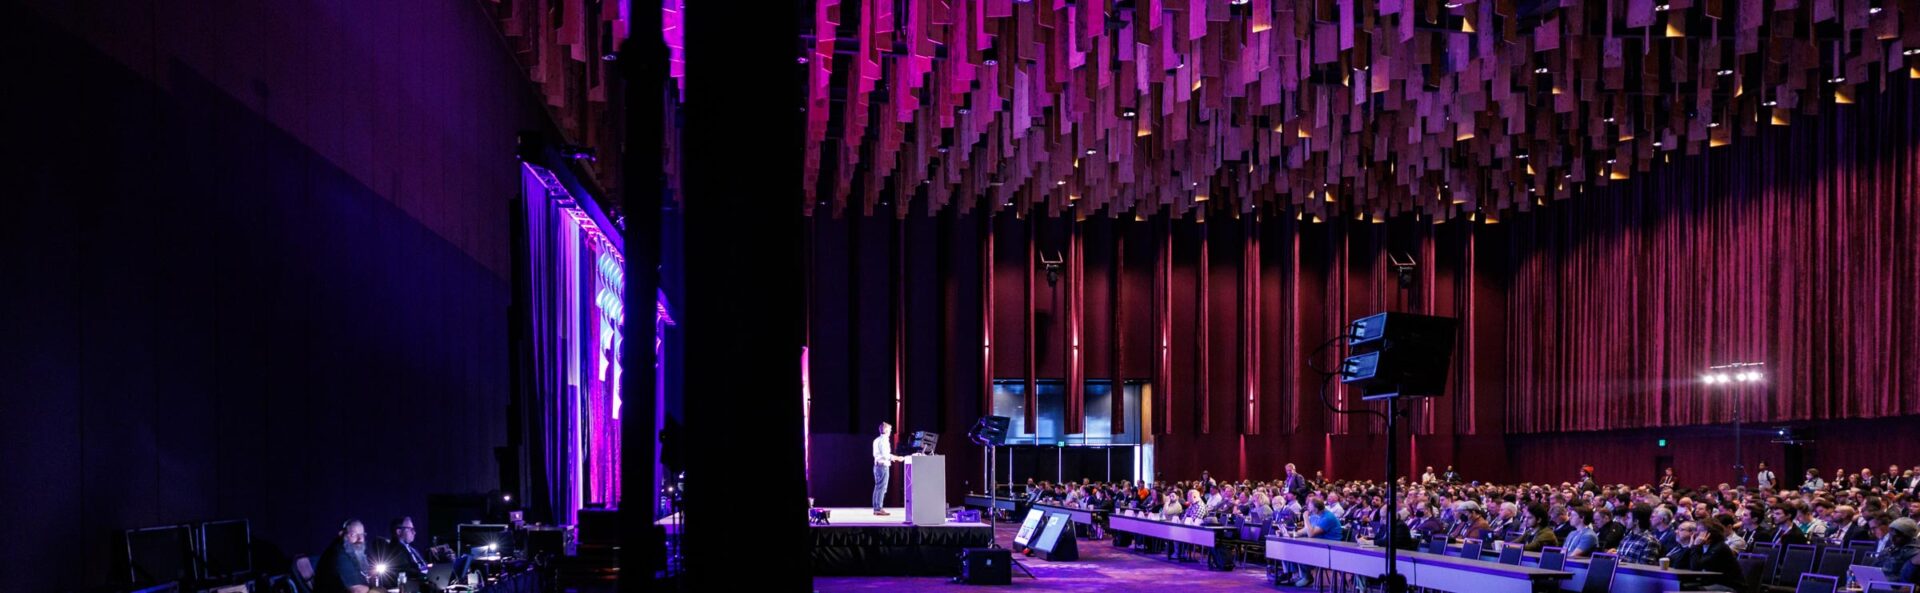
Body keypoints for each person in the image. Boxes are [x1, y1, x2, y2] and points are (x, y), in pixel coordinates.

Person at [1667, 520, 1742, 591]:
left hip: (1727, 585)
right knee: (1677, 585)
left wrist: (1696, 546)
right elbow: (1677, 565)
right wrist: (1690, 547)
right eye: (1696, 530)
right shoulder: (1702, 546)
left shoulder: (1720, 547)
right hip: (1708, 582)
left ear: (1710, 533)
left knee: (1686, 589)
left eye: (1700, 531)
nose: (1696, 533)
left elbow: (1695, 567)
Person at [370, 517, 432, 588]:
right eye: (410, 529)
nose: (414, 532)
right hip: (414, 585)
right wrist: (426, 574)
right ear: (399, 532)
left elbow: (422, 565)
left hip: (427, 579)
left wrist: (431, 567)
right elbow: (406, 571)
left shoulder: (412, 547)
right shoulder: (395, 550)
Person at [313, 519, 372, 593]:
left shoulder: (350, 552)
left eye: (362, 534)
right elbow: (357, 591)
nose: (360, 539)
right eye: (353, 534)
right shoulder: (339, 555)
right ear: (341, 534)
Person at [871, 422, 906, 515]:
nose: (891, 431)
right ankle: (878, 509)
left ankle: (876, 508)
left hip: (877, 466)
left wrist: (892, 458)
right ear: (886, 430)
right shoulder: (884, 441)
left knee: (878, 487)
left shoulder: (877, 440)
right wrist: (897, 458)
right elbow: (886, 455)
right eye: (890, 430)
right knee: (882, 488)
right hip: (882, 467)